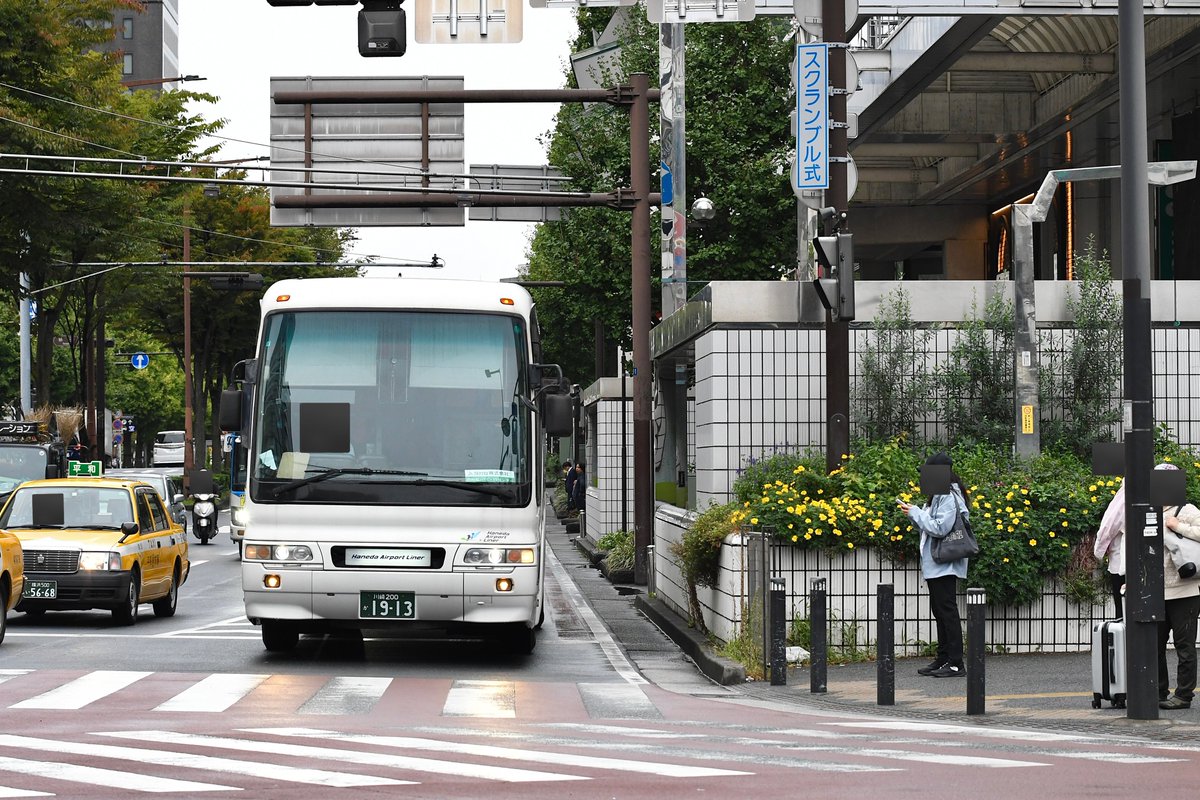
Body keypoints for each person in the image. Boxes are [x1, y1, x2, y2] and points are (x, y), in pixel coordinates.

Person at [898, 451, 971, 678]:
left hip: (945, 563)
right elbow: (931, 526)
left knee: (946, 611)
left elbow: (940, 528)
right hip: (936, 563)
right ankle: (943, 658)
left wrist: (916, 512)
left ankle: (956, 662)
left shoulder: (949, 496)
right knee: (940, 611)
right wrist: (915, 513)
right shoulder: (939, 495)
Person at [1152, 464, 1200, 710]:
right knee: (1155, 644)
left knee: (1184, 645)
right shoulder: (1148, 511)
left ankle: (1183, 695)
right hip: (1156, 590)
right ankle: (1159, 691)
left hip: (1185, 590)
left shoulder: (1186, 509)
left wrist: (1177, 526)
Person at [1094, 479, 1128, 618]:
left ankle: (1125, 640)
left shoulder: (1125, 497)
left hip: (1122, 563)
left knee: (1123, 612)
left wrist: (1099, 552)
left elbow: (1109, 526)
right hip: (1149, 565)